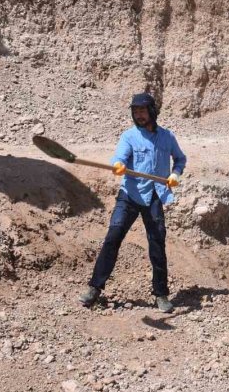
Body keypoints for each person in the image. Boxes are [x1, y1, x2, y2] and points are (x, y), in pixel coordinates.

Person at [79, 93, 186, 312]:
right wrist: (118, 164)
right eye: (135, 112)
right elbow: (119, 157)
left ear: (152, 111)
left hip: (155, 195)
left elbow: (180, 159)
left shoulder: (167, 137)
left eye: (142, 111)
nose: (138, 115)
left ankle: (161, 295)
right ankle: (94, 288)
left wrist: (175, 174)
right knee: (113, 237)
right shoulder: (128, 137)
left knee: (157, 244)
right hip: (129, 195)